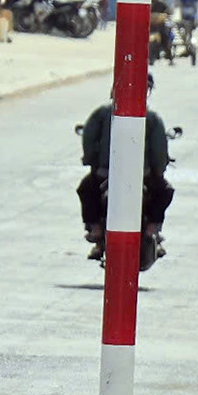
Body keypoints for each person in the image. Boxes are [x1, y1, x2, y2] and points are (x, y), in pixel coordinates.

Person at [78, 72, 174, 265]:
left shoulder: (103, 114)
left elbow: (88, 139)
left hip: (107, 173)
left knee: (86, 189)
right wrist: (159, 170)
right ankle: (153, 229)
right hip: (140, 176)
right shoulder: (151, 118)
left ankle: (95, 230)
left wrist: (90, 161)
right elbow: (159, 150)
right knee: (165, 191)